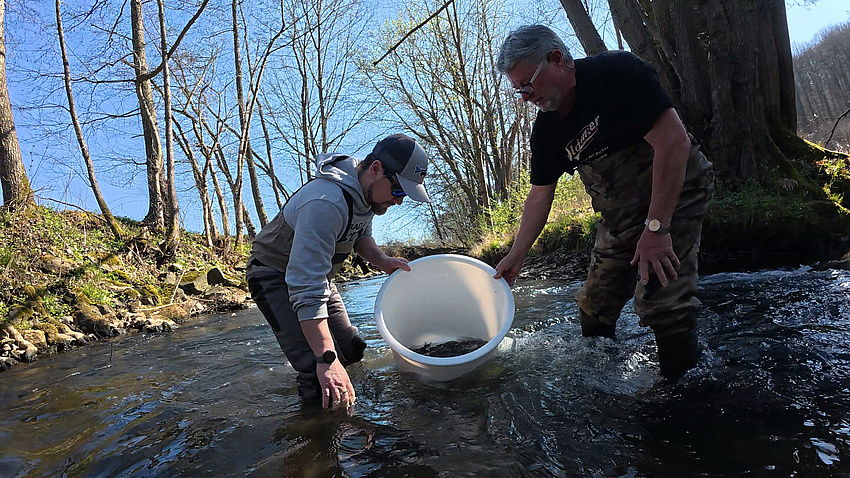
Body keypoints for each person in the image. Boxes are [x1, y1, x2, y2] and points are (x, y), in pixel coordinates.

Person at [493, 25, 715, 378]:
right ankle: (602, 384)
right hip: (620, 216)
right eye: (518, 89)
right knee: (594, 306)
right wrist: (516, 256)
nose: (524, 95)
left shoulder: (618, 73)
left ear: (556, 59)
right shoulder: (548, 132)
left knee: (663, 304)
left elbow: (674, 144)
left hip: (677, 195)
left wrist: (657, 229)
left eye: (527, 84)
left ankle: (683, 401)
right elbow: (539, 194)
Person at [247, 134, 430, 409]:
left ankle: (350, 405)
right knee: (317, 369)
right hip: (274, 276)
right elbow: (305, 286)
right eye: (399, 191)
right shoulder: (325, 203)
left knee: (351, 348)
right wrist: (326, 361)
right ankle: (320, 440)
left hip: (317, 278)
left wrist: (382, 261)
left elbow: (360, 234)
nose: (399, 201)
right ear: (376, 169)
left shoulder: (368, 195)